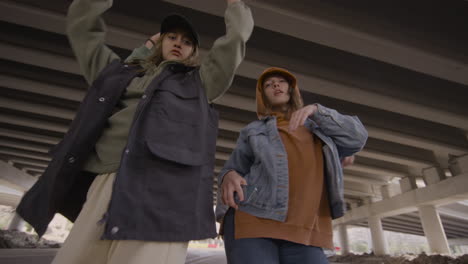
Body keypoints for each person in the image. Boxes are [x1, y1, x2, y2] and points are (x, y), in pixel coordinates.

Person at [15, 0, 253, 263]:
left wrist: (235, 4)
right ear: (158, 42)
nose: (177, 43)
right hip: (108, 179)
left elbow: (234, 43)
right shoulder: (118, 75)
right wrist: (144, 49)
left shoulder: (201, 82)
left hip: (164, 190)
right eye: (171, 37)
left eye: (186, 41)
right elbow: (83, 32)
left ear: (194, 52)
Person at [216, 67, 368, 264]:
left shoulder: (320, 129)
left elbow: (357, 137)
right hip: (253, 219)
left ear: (292, 90)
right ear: (263, 97)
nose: (275, 85)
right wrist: (229, 174)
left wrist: (316, 110)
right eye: (269, 85)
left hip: (305, 230)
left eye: (281, 81)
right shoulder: (253, 130)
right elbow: (234, 167)